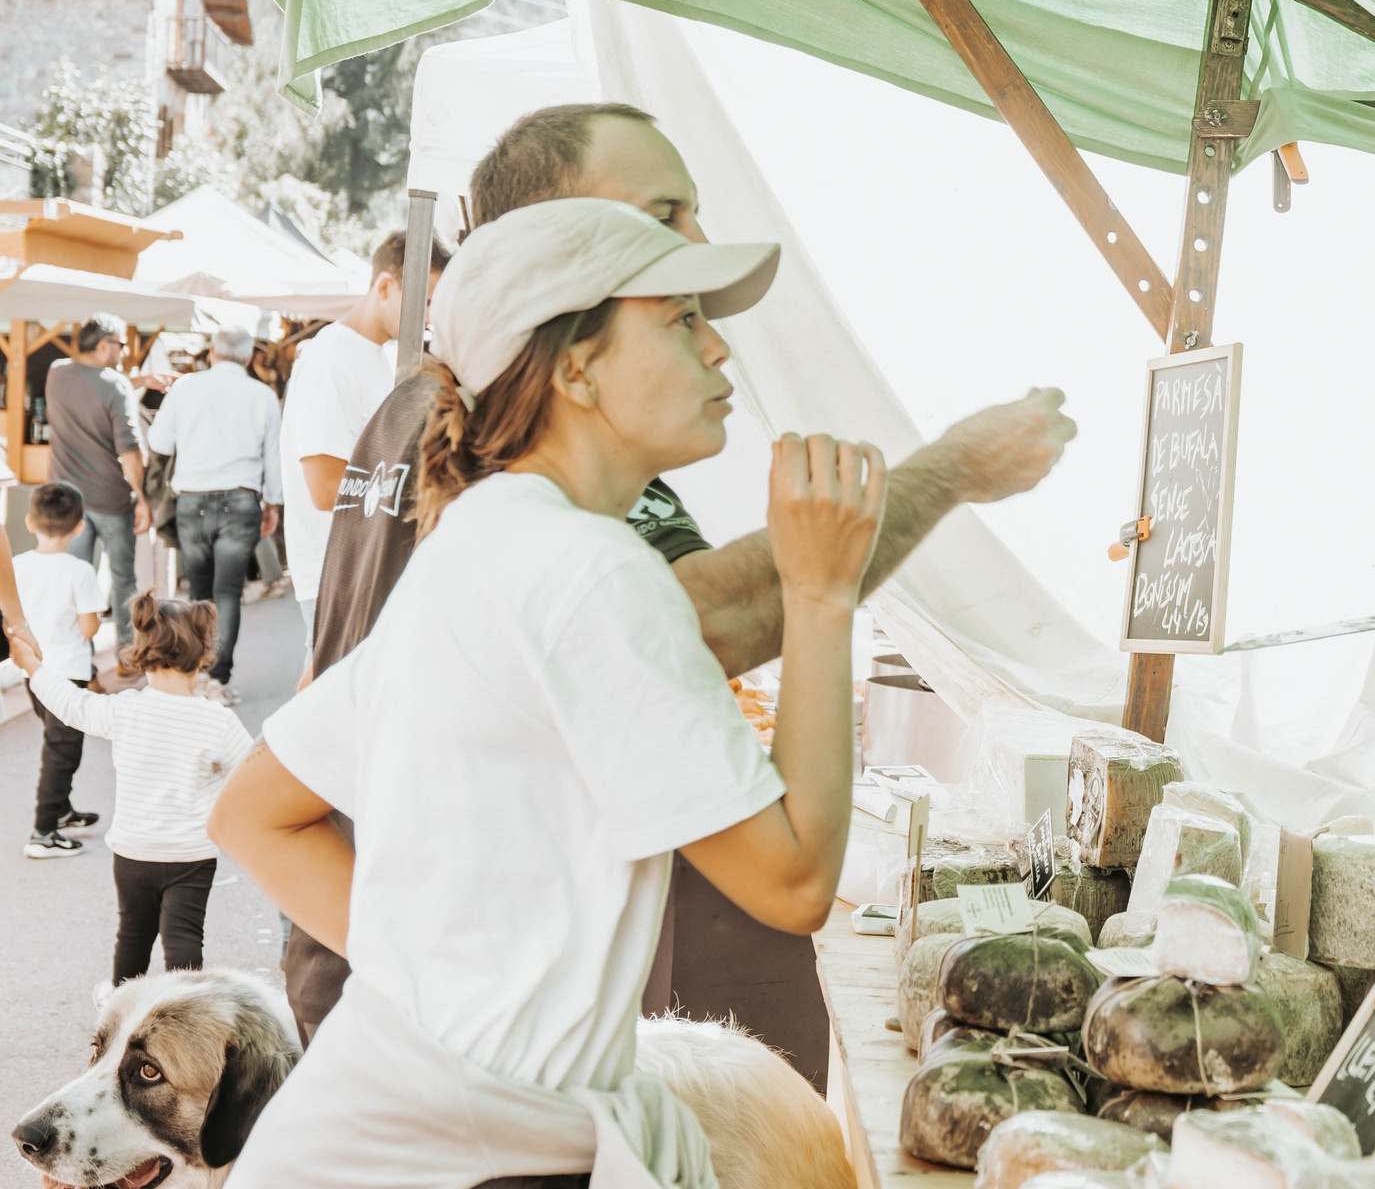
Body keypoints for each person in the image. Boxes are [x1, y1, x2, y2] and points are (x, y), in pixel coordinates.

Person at [136, 196, 884, 1189]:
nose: (719, 349)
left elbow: (254, 814)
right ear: (575, 365)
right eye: (682, 319)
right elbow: (797, 879)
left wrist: (443, 986)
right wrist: (819, 595)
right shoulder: (590, 573)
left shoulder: (483, 540)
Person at [282, 101, 1077, 1074]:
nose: (699, 263)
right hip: (436, 1055)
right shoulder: (560, 537)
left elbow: (271, 783)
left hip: (380, 1004)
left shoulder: (438, 433)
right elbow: (709, 627)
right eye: (664, 220)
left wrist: (428, 974)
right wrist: (939, 481)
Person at [22, 592, 251, 983]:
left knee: (133, 936)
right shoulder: (218, 722)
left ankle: (120, 1008)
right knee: (184, 939)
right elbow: (252, 776)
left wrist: (31, 665)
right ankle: (185, 1012)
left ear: (142, 653)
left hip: (134, 852)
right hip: (191, 854)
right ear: (201, 656)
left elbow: (72, 704)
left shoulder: (125, 709)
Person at [279, 230, 443, 648]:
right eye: (425, 302)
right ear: (384, 286)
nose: (429, 317)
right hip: (339, 577)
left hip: (364, 572)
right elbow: (325, 488)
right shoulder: (330, 358)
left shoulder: (380, 356)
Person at [147, 325, 284, 699]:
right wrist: (272, 504)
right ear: (249, 357)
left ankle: (195, 675)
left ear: (212, 353)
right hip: (241, 502)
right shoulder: (262, 395)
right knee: (227, 593)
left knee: (199, 592)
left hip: (192, 502)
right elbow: (274, 459)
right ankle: (219, 681)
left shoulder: (185, 388)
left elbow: (158, 441)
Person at [40, 314, 149, 631]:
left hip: (69, 503)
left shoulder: (56, 373)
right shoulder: (116, 386)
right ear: (104, 345)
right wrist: (142, 498)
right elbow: (130, 453)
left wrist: (138, 381)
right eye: (122, 344)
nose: (124, 352)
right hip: (111, 499)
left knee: (73, 579)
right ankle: (127, 651)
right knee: (124, 579)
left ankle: (75, 652)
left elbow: (92, 387)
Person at [16, 482, 106, 857]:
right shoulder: (80, 571)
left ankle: (62, 811)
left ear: (29, 522)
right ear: (79, 526)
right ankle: (43, 832)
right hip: (69, 673)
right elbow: (88, 629)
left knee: (57, 743)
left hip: (33, 671)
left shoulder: (17, 565)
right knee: (63, 752)